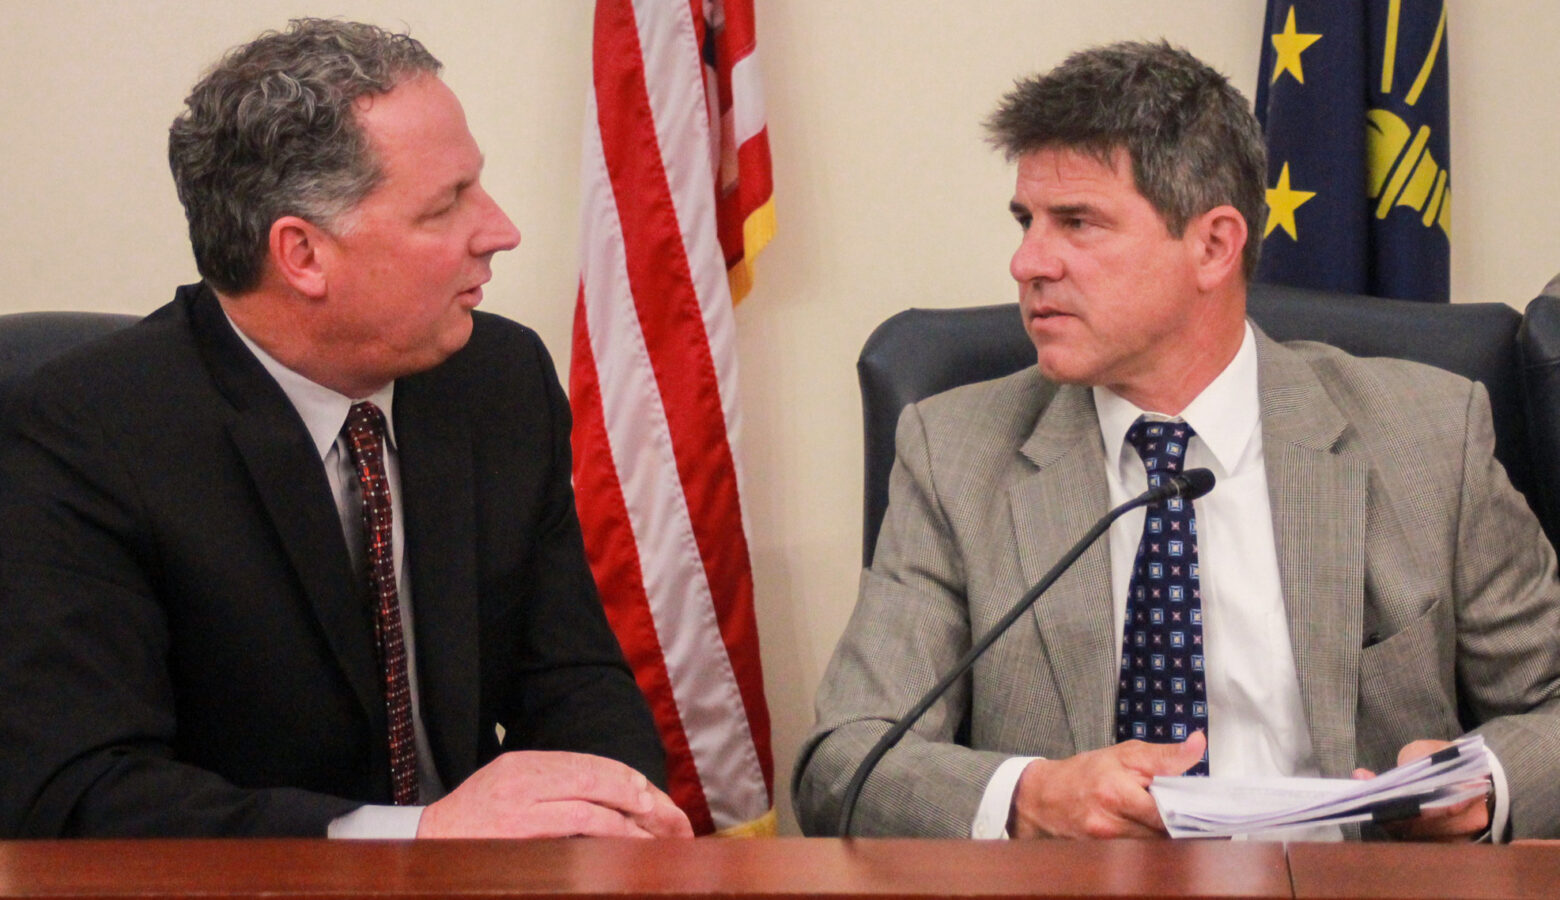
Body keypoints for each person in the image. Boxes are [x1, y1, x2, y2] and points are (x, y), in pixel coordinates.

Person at [793, 41, 1560, 842]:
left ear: (1214, 245)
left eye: (1078, 223)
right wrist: (1030, 797)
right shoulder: (956, 454)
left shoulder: (1429, 436)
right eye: (1027, 222)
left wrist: (1485, 786)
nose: (1027, 262)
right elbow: (844, 761)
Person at [0, 19, 690, 840]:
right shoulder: (86, 435)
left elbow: (575, 682)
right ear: (303, 256)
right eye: (446, 206)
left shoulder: (497, 379)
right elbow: (78, 793)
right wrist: (406, 839)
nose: (499, 230)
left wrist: (617, 818)